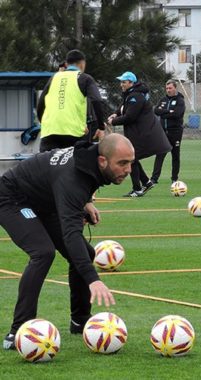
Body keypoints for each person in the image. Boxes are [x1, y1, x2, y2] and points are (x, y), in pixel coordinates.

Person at [0, 134, 131, 350]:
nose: (128, 170)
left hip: (44, 201)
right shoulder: (73, 179)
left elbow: (83, 181)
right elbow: (71, 234)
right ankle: (19, 330)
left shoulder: (92, 155)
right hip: (12, 199)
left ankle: (80, 321)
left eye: (130, 162)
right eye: (122, 163)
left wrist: (86, 203)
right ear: (103, 161)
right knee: (43, 252)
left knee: (86, 253)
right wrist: (93, 279)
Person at [107, 72, 171, 197]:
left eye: (124, 82)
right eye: (121, 82)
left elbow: (130, 116)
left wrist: (113, 121)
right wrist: (116, 113)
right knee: (132, 159)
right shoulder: (131, 94)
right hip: (138, 132)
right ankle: (146, 183)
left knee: (131, 159)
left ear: (131, 83)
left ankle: (138, 188)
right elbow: (124, 106)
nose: (121, 85)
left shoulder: (136, 96)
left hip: (142, 133)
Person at [37, 49, 107, 152]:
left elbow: (41, 104)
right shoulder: (85, 78)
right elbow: (96, 100)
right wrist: (101, 126)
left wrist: (44, 122)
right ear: (82, 64)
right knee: (75, 166)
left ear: (66, 64)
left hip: (49, 132)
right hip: (73, 133)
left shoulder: (54, 78)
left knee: (47, 166)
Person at [151, 79, 186, 184]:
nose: (168, 90)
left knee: (175, 155)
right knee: (160, 154)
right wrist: (168, 111)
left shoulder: (180, 100)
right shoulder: (163, 99)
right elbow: (156, 111)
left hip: (175, 132)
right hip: (163, 132)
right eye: (167, 88)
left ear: (175, 88)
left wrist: (164, 113)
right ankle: (154, 179)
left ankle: (174, 178)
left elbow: (177, 114)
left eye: (170, 88)